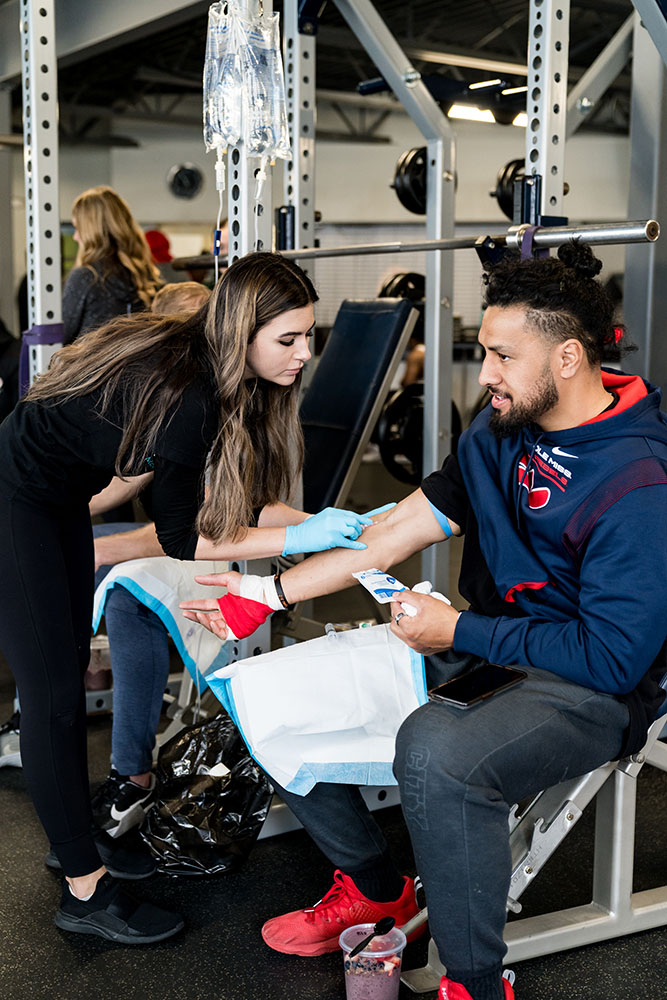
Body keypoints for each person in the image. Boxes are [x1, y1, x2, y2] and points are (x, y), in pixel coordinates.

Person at [181, 243, 667, 1000]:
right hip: (495, 648)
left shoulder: (636, 479)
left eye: (503, 357)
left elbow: (608, 659)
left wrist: (456, 632)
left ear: (568, 357)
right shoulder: (503, 428)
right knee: (259, 686)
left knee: (437, 751)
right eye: (484, 353)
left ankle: (472, 982)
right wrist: (267, 596)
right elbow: (398, 527)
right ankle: (377, 887)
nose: (486, 376)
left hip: (592, 686)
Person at [0, 252, 389, 946]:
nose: (305, 355)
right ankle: (85, 895)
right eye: (289, 340)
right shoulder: (190, 395)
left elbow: (209, 500)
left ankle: (75, 844)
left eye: (309, 337)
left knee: (59, 680)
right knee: (54, 700)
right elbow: (185, 538)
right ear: (243, 333)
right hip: (14, 502)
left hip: (56, 500)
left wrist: (303, 524)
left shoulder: (199, 367)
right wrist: (308, 528)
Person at [62, 185, 162, 346]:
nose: (75, 237)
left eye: (78, 228)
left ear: (91, 231)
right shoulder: (143, 275)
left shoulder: (86, 277)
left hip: (93, 369)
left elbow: (61, 336)